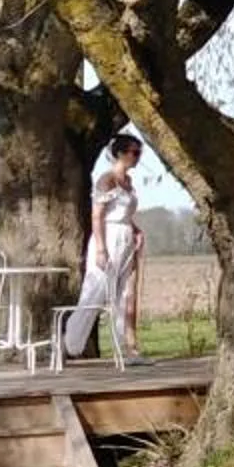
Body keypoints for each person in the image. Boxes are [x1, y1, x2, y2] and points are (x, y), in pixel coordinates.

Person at [58, 135, 145, 362]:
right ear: (121, 153)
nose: (137, 157)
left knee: (123, 294)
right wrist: (100, 249)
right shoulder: (107, 180)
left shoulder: (129, 182)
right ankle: (69, 343)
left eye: (139, 153)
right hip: (108, 236)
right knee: (95, 292)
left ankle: (124, 349)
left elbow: (124, 213)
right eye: (134, 153)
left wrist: (136, 230)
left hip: (125, 237)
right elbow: (98, 215)